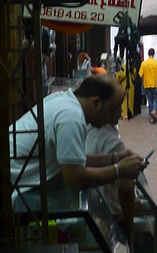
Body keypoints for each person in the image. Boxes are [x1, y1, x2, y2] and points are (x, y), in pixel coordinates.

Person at [9, 75, 143, 213]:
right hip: (6, 191)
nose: (119, 114)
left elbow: (74, 161)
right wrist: (119, 170)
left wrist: (114, 158)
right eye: (113, 109)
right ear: (96, 103)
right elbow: (75, 179)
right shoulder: (71, 118)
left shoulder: (64, 100)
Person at [84, 77, 138, 237]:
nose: (121, 112)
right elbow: (126, 187)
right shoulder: (113, 143)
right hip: (112, 214)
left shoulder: (86, 128)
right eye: (116, 108)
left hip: (94, 208)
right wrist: (128, 224)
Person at [139, 48, 157, 123]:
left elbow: (140, 75)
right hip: (155, 85)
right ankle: (154, 110)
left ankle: (151, 118)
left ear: (148, 54)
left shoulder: (144, 63)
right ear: (154, 54)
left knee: (150, 101)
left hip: (147, 85)